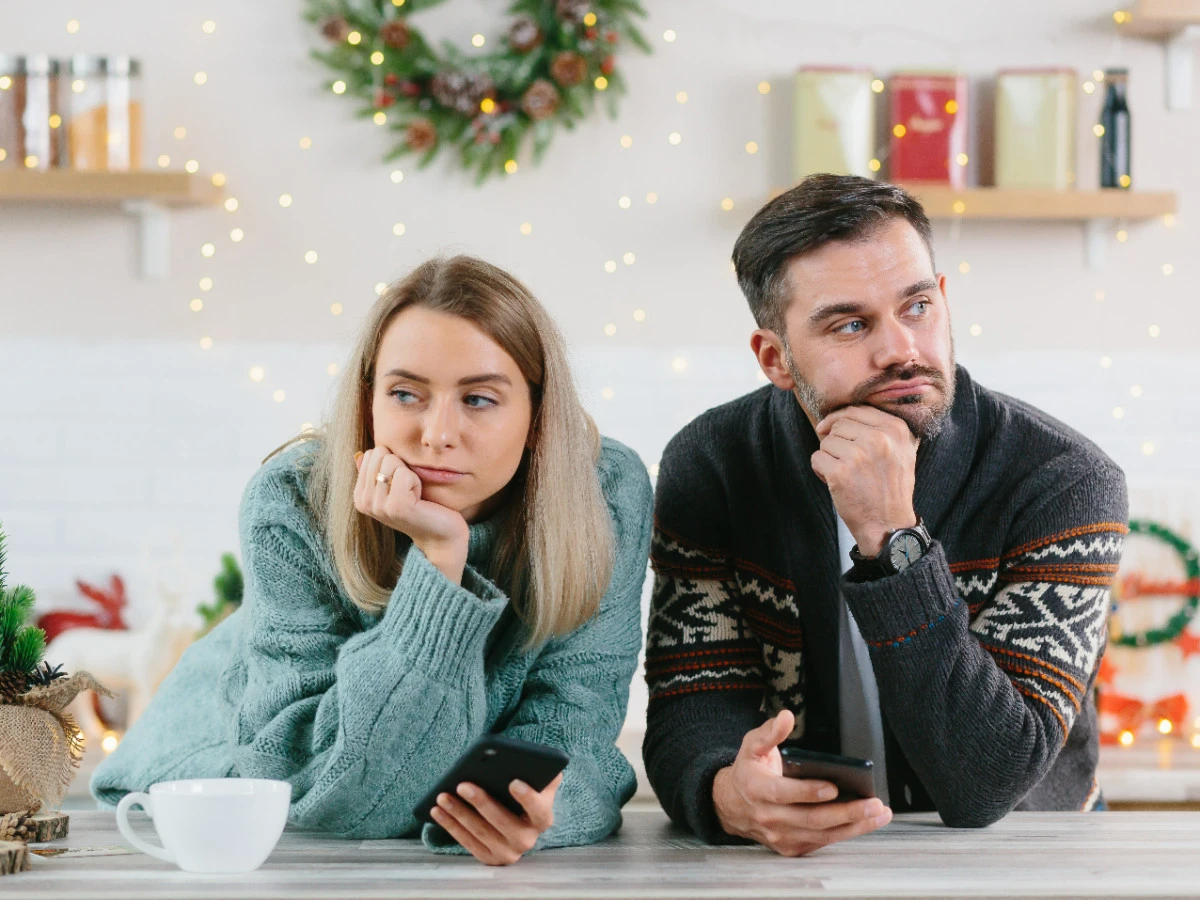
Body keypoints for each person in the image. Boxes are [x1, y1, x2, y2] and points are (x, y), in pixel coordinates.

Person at [93, 255, 654, 866]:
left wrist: (533, 811)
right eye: (406, 393)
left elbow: (580, 729)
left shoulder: (606, 493)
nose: (436, 434)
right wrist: (440, 556)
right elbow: (342, 788)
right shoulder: (291, 500)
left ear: (539, 416)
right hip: (236, 760)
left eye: (480, 399)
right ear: (367, 401)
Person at [642, 174, 1128, 856]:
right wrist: (728, 791)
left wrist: (891, 537)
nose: (901, 348)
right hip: (801, 861)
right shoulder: (716, 465)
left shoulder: (1062, 483)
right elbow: (692, 707)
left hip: (1029, 859)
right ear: (775, 358)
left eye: (917, 307)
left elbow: (989, 783)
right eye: (850, 324)